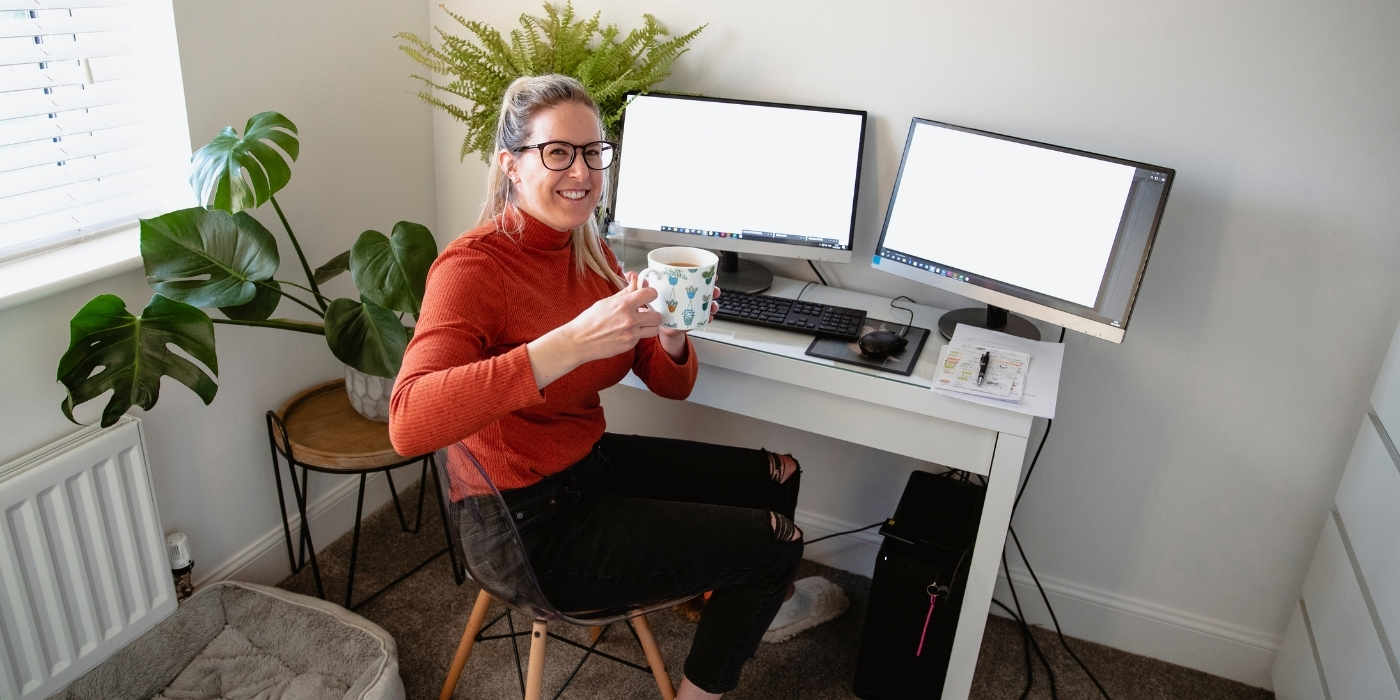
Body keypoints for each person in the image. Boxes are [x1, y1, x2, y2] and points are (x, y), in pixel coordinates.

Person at [389, 75, 842, 698]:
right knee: (777, 544)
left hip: (587, 469)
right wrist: (567, 344)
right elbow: (409, 422)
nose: (581, 170)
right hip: (526, 526)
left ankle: (739, 603)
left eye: (593, 151)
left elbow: (668, 385)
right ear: (511, 166)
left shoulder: (590, 250)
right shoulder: (473, 268)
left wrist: (673, 331)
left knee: (779, 475)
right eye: (558, 152)